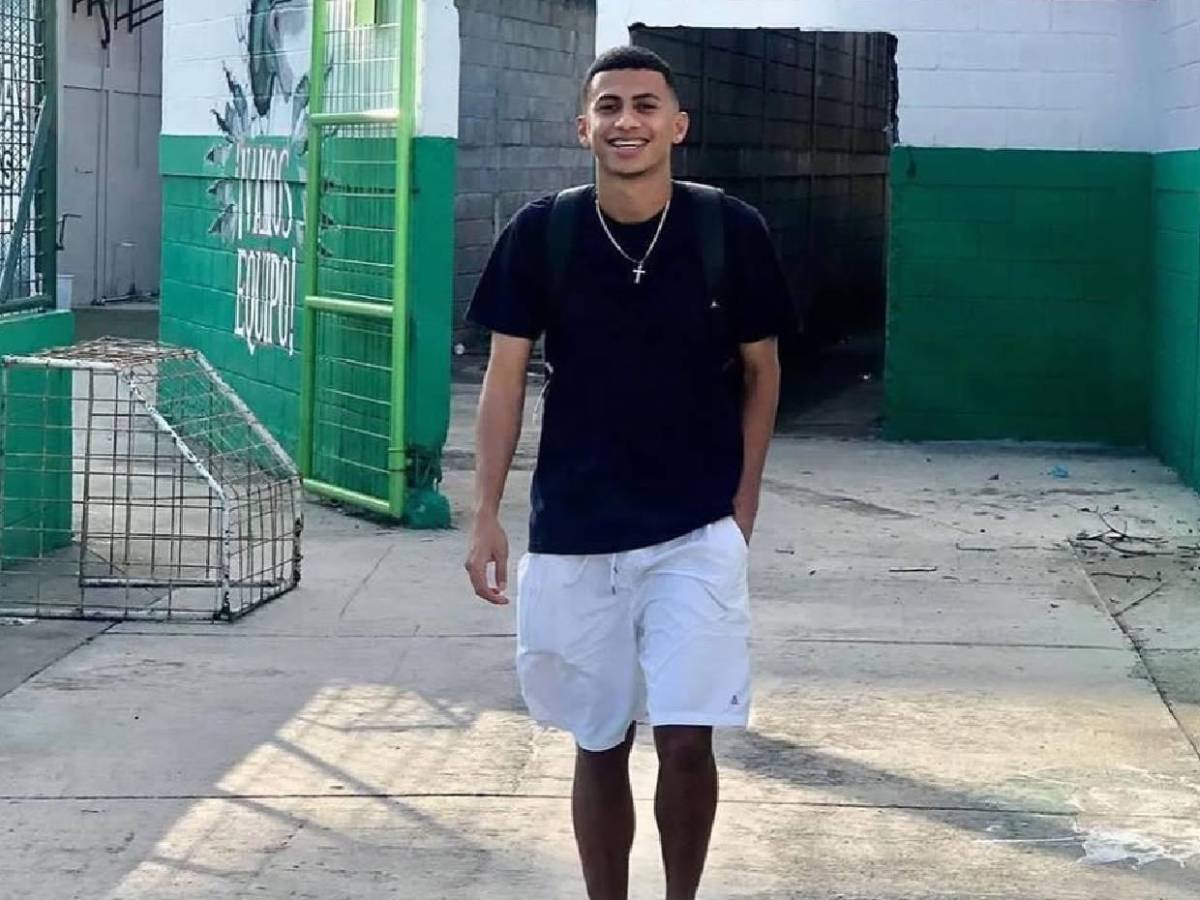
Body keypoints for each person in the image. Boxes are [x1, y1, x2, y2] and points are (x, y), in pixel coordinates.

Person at [464, 44, 792, 900]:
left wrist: (742, 504)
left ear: (678, 125)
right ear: (583, 127)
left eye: (646, 106)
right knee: (599, 740)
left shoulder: (729, 231)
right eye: (609, 106)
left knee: (688, 737)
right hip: (576, 528)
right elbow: (504, 379)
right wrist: (486, 512)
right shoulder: (544, 232)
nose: (627, 121)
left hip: (696, 528)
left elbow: (762, 372)